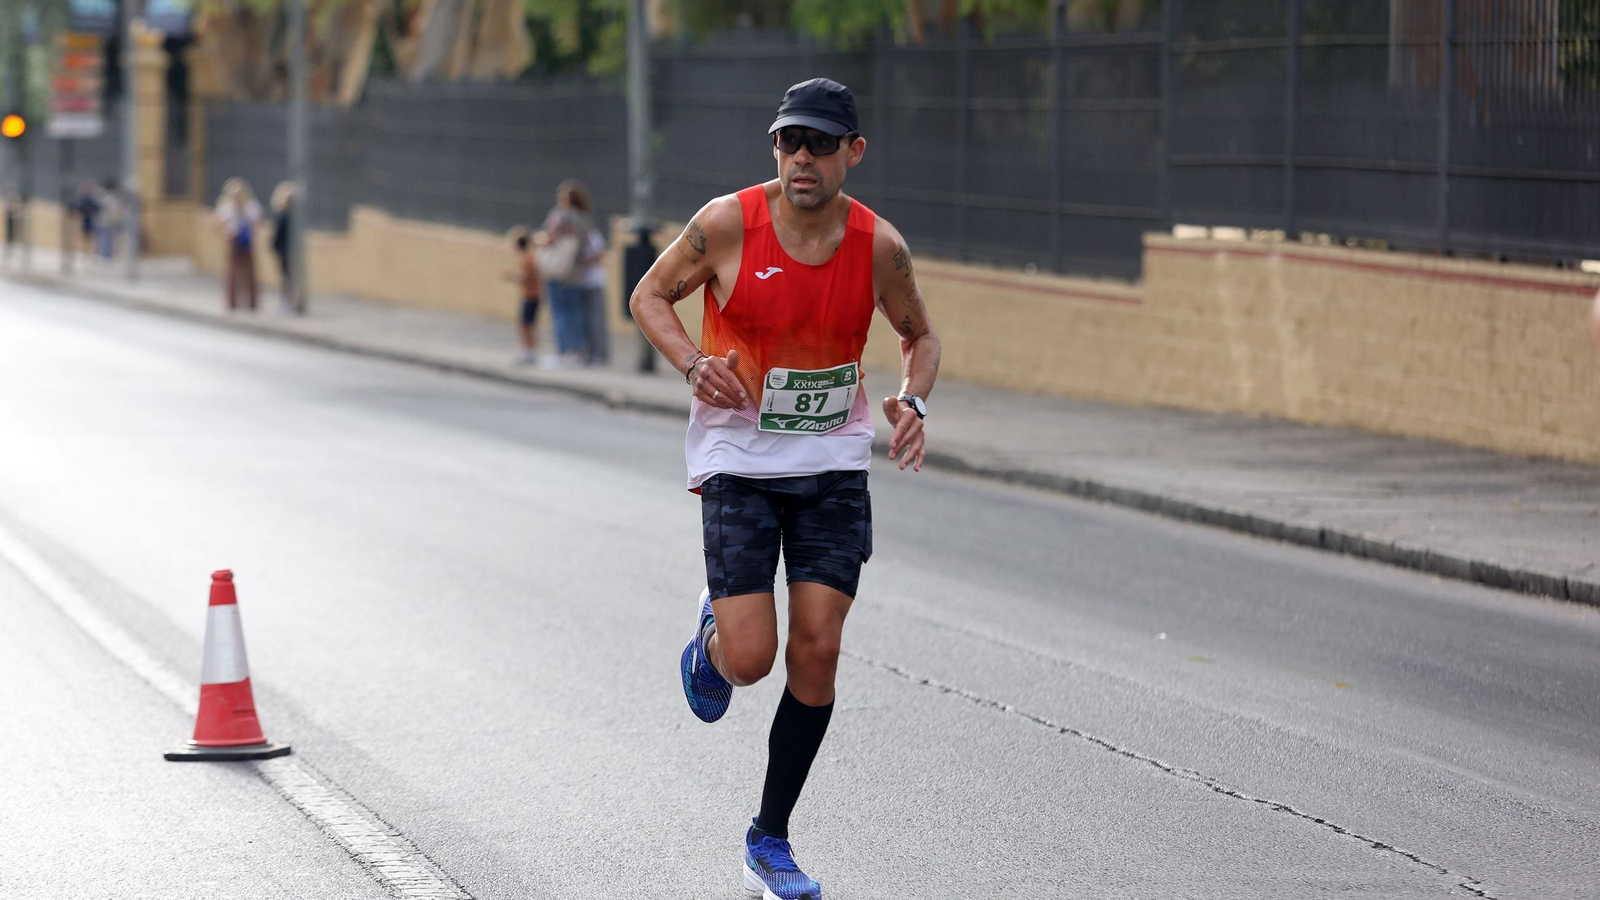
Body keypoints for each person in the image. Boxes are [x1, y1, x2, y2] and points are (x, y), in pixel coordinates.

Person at [629, 77, 940, 900]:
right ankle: (711, 641)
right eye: (788, 141)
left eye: (820, 143)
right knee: (752, 659)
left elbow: (919, 334)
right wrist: (693, 363)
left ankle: (770, 839)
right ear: (775, 147)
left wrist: (911, 398)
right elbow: (649, 295)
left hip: (832, 461)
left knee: (819, 648)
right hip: (738, 457)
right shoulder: (728, 224)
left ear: (853, 153)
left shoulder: (879, 247)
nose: (801, 157)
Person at [537, 179, 593, 367]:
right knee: (575, 313)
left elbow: (549, 238)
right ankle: (577, 352)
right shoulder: (585, 219)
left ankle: (563, 351)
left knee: (559, 312)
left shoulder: (561, 216)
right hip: (578, 272)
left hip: (559, 271)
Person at [215, 178, 262, 312]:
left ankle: (252, 302)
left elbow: (257, 222)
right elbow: (217, 222)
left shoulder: (250, 206)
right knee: (233, 273)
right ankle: (233, 302)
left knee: (249, 272)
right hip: (234, 240)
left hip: (245, 241)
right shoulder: (227, 207)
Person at [504, 226, 542, 364]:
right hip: (531, 295)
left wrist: (512, 277)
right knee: (526, 323)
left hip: (532, 296)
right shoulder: (529, 258)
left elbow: (527, 277)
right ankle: (529, 350)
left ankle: (530, 351)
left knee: (526, 324)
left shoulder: (528, 259)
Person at [269, 182, 304, 314]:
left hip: (285, 251)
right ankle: (291, 303)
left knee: (286, 278)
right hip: (289, 251)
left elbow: (278, 235)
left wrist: (274, 247)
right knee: (289, 277)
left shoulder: (284, 216)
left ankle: (288, 303)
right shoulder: (294, 217)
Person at [580, 225, 610, 366]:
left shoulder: (593, 235)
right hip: (582, 283)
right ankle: (590, 352)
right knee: (586, 321)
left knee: (596, 320)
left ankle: (599, 354)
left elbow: (599, 255)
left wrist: (583, 260)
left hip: (595, 283)